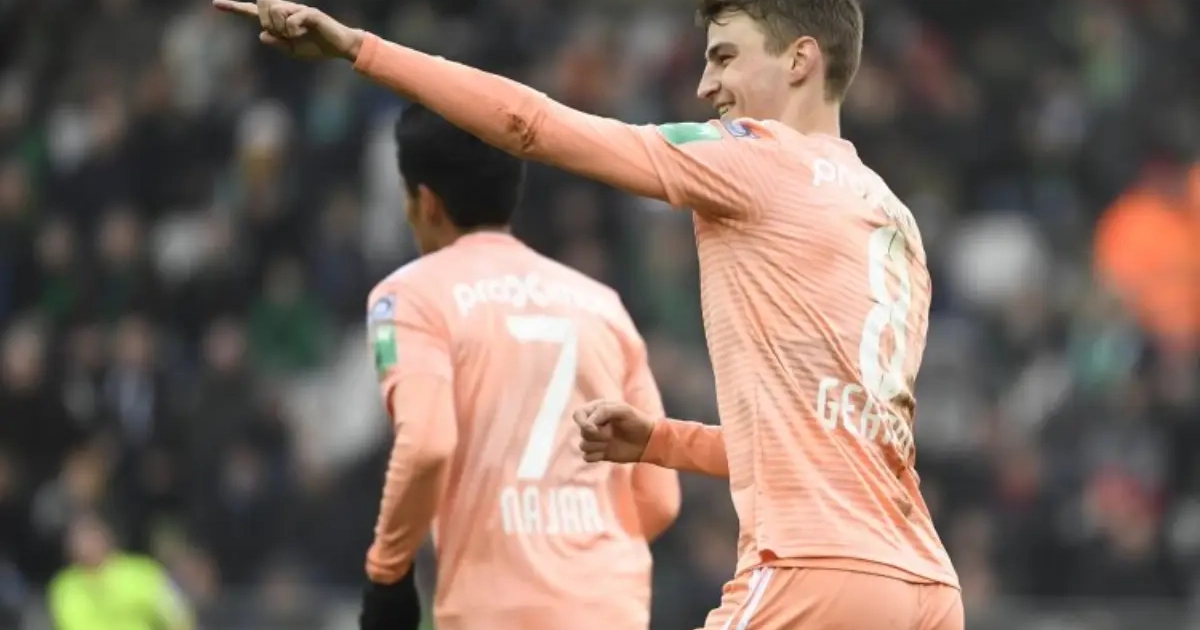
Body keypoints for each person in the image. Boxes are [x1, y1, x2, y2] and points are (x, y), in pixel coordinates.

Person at [211, 0, 962, 627]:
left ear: (800, 60)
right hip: (924, 586)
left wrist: (358, 48)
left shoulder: (754, 155)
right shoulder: (894, 221)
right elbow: (829, 447)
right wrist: (659, 441)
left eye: (725, 57)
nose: (706, 84)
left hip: (813, 571)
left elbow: (530, 125)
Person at [356, 102, 679, 630]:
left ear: (426, 203)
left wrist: (387, 574)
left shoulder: (410, 296)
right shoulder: (602, 305)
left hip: (497, 609)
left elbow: (427, 445)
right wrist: (576, 563)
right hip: (612, 605)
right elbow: (660, 497)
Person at [46, 513, 193, 630]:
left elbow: (177, 613)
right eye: (80, 539)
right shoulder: (64, 587)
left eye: (92, 535)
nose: (87, 545)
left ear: (107, 536)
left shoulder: (144, 571)